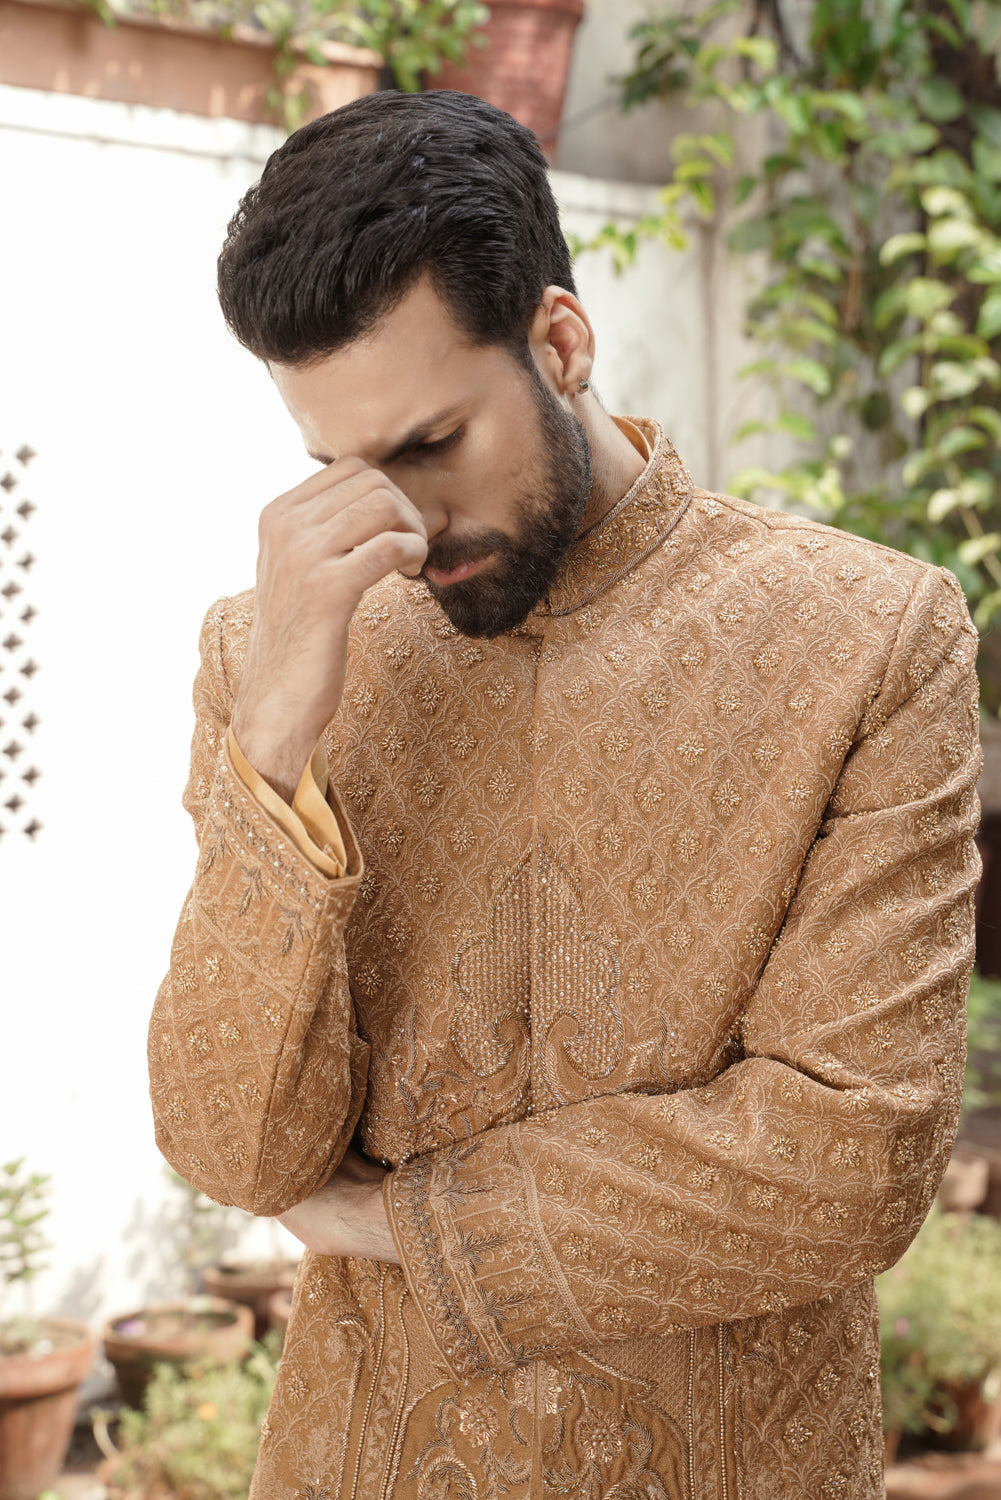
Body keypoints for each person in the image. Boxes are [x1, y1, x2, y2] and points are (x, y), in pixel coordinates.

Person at [148, 89, 982, 1500]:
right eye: (338, 469)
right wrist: (275, 744)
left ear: (559, 338)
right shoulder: (274, 648)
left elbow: (847, 1164)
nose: (397, 522)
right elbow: (234, 1147)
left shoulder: (867, 638)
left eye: (428, 446)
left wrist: (393, 1220)